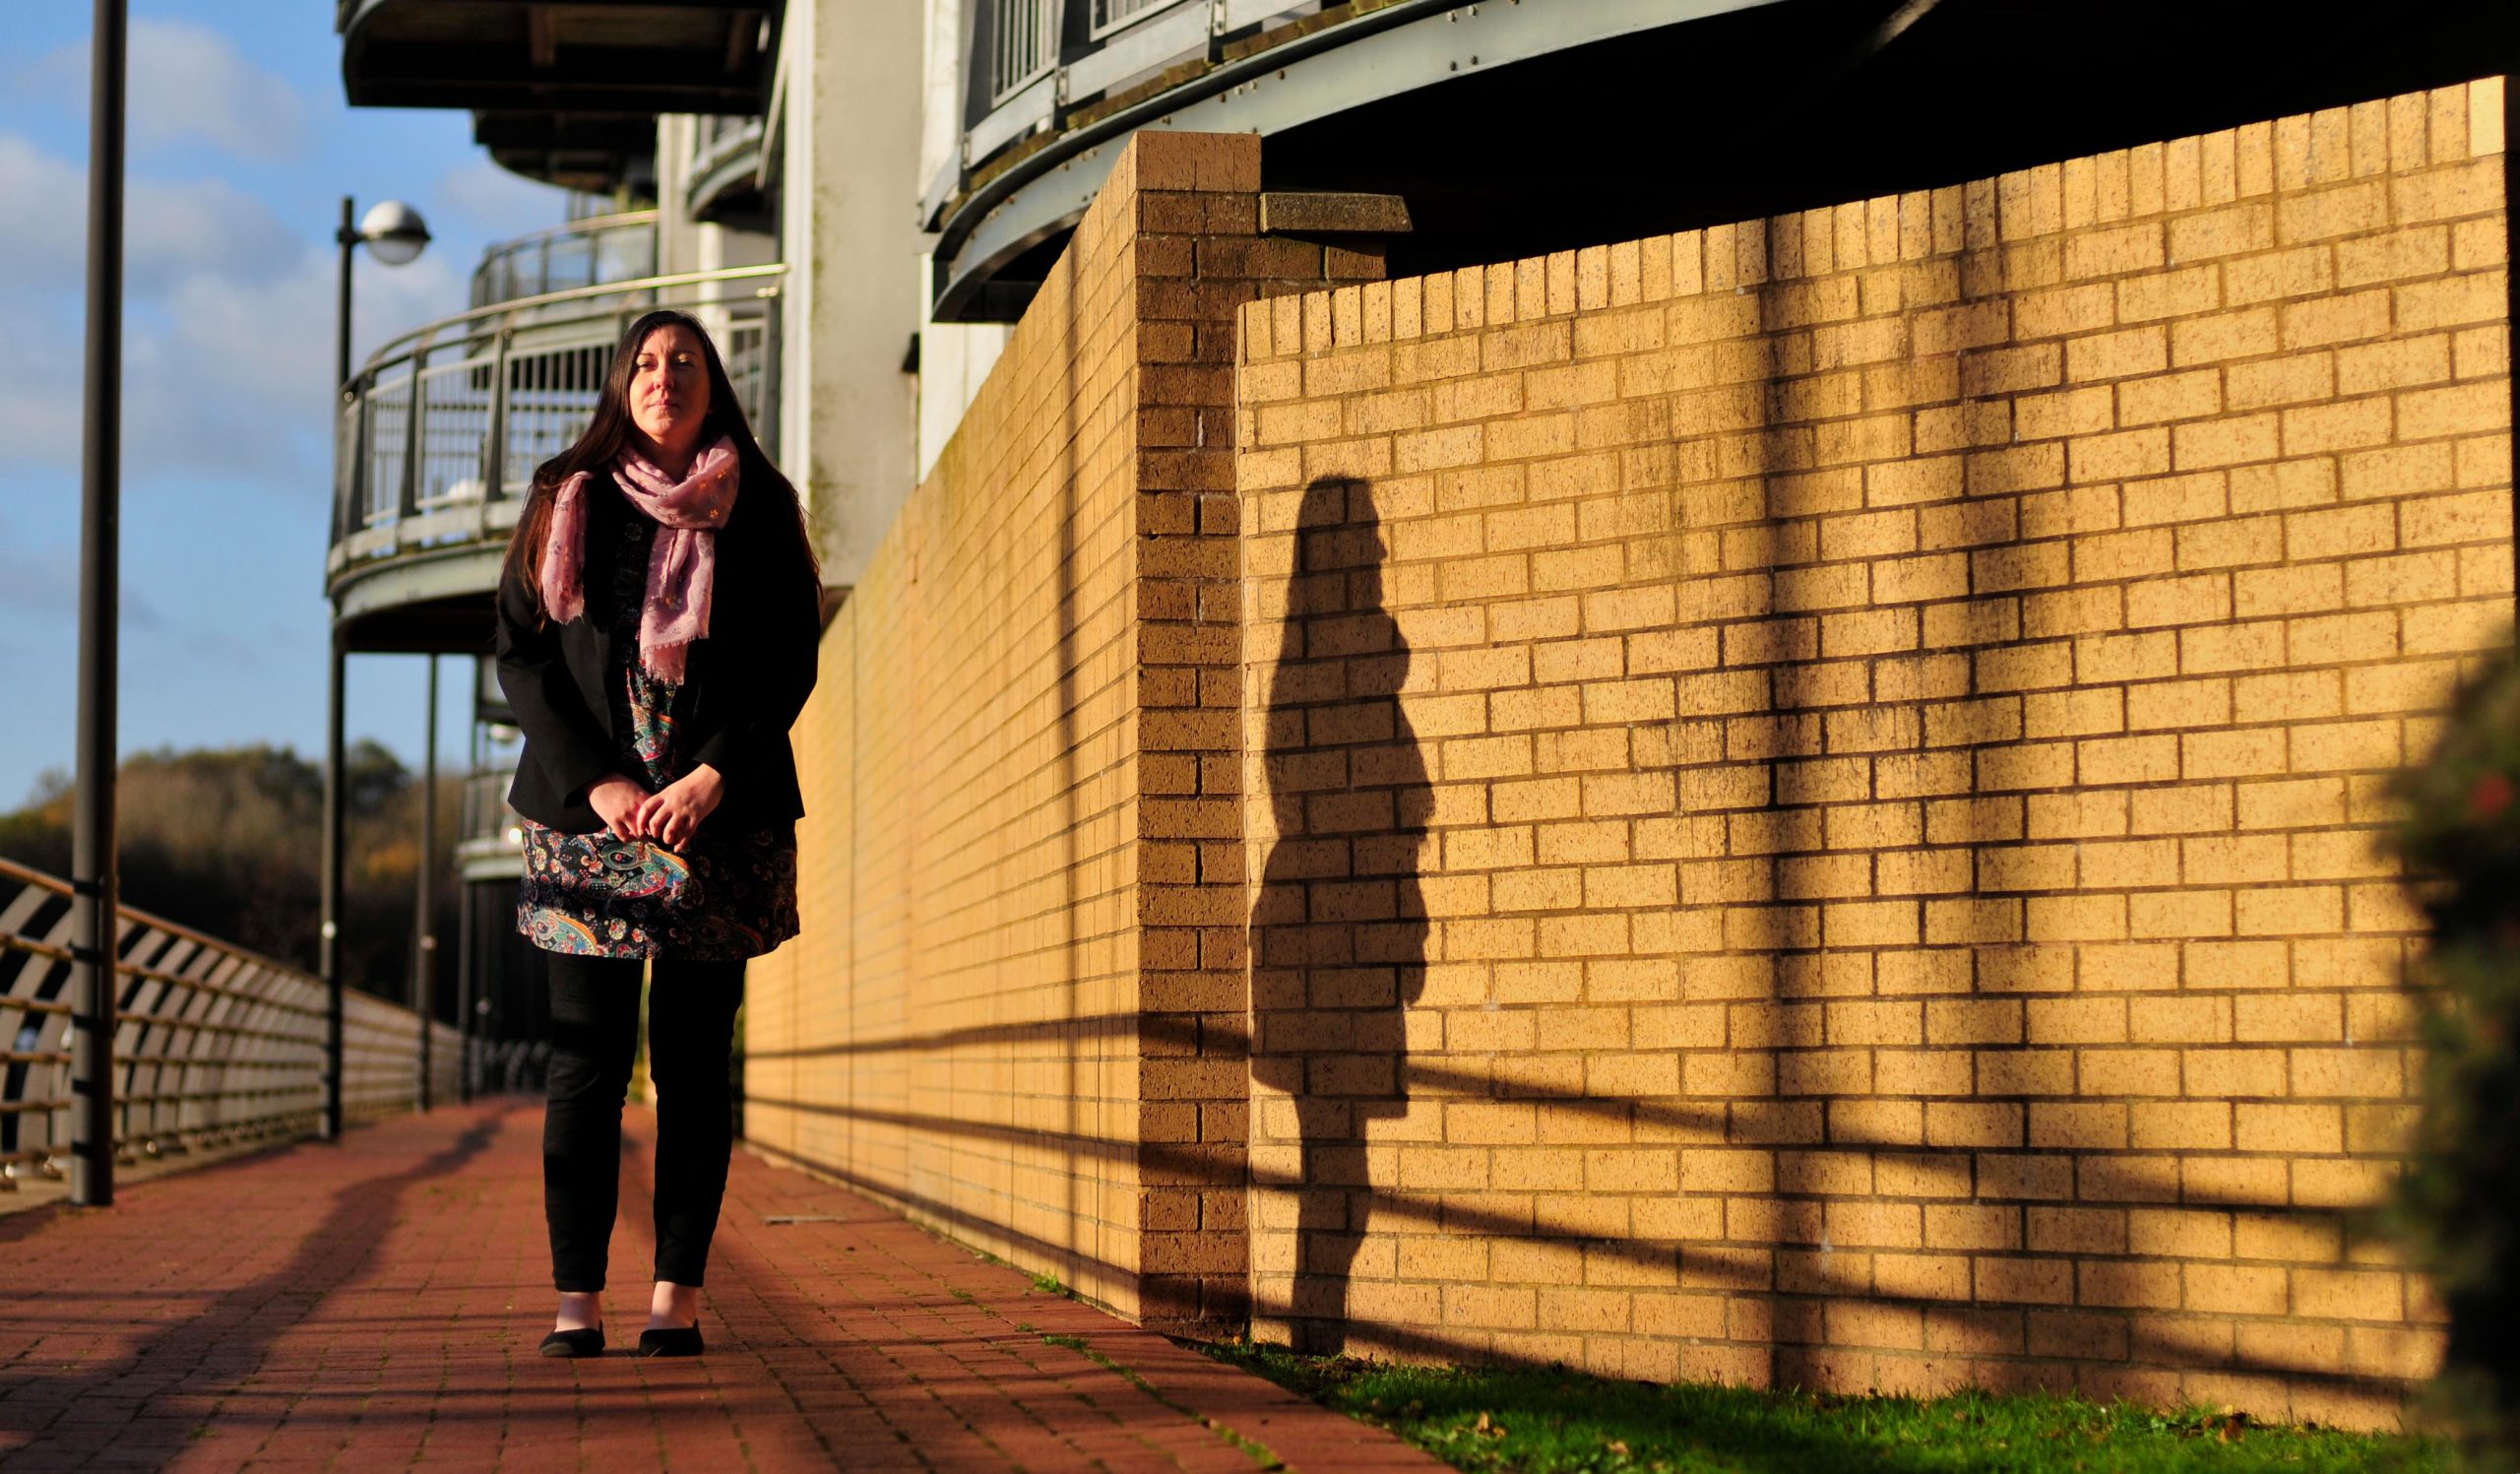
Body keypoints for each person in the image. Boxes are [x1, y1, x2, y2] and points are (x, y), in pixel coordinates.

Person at [493, 308, 820, 1358]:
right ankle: (575, 1301)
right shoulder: (566, 496)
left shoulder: (760, 505)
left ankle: (675, 1296)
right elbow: (522, 656)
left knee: (691, 1066)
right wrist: (595, 784)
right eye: (643, 362)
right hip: (590, 825)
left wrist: (714, 777)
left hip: (715, 827)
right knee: (585, 1063)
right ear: (618, 386)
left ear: (711, 382)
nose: (662, 376)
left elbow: (785, 661)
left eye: (682, 361)